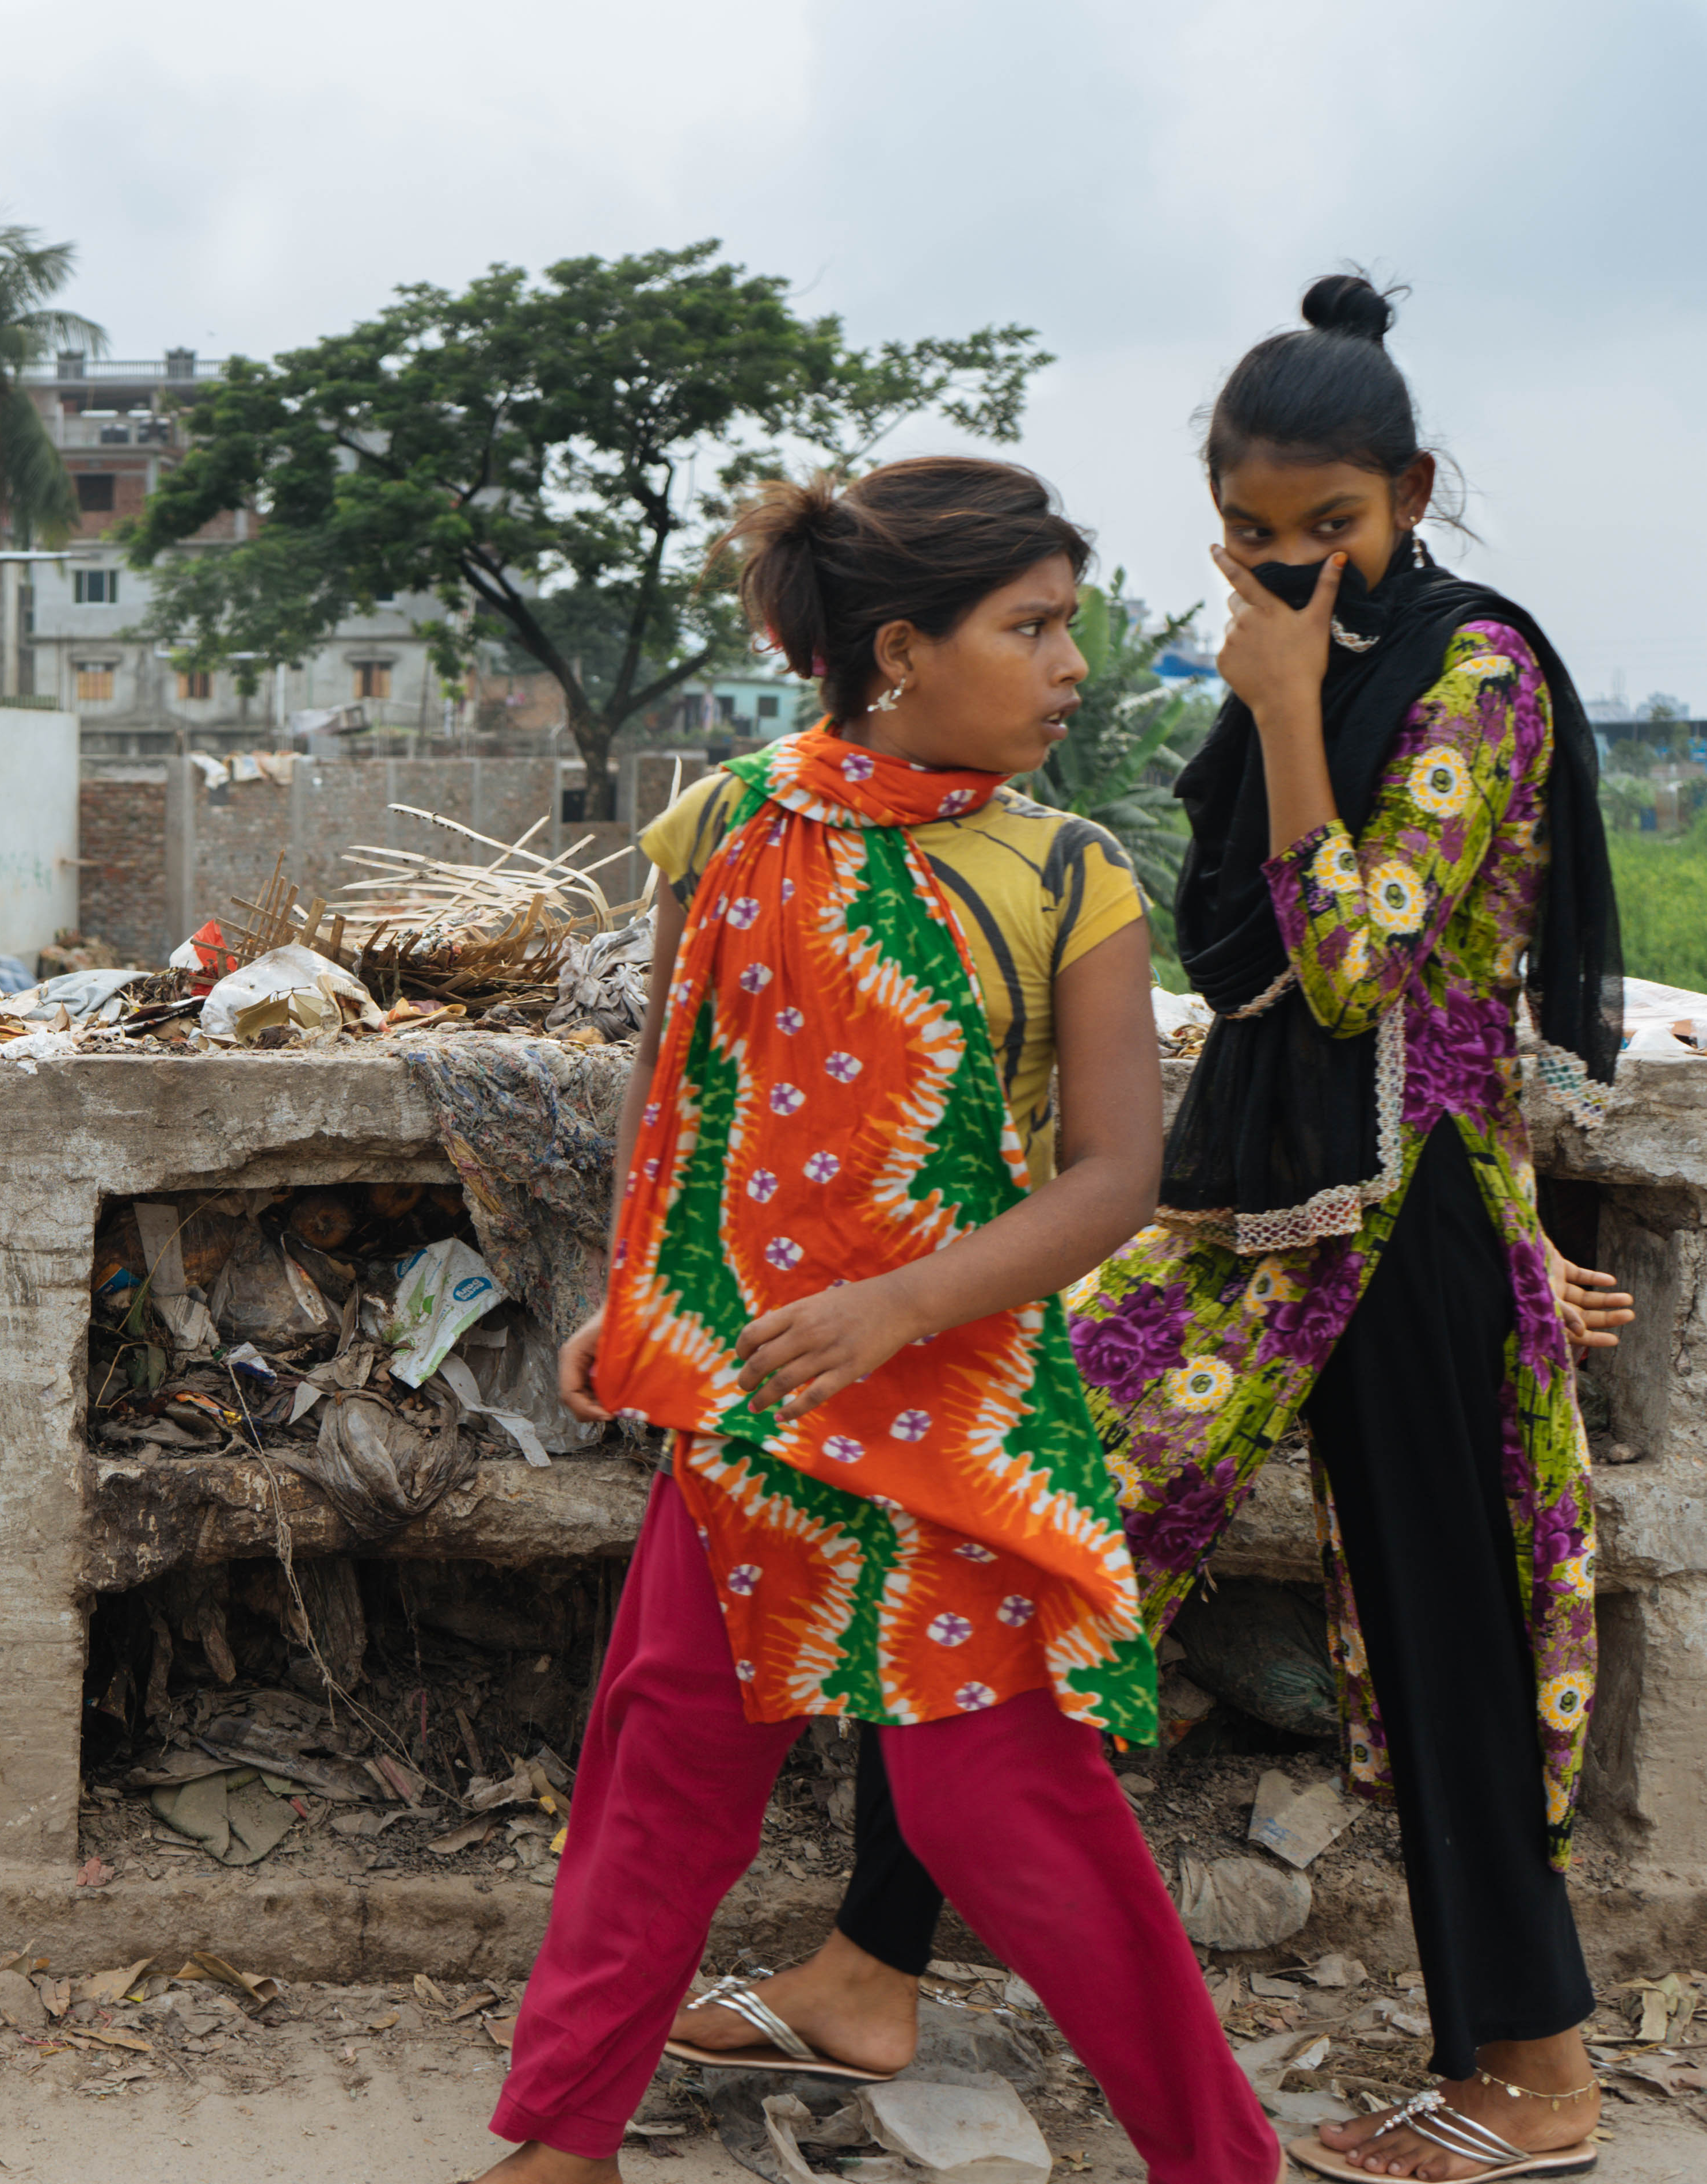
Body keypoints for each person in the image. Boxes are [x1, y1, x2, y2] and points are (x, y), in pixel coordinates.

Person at [665, 276, 1627, 2184]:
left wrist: (1278, 709)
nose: (1292, 568)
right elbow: (1228, 951)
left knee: (1448, 1619)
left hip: (1408, 1206)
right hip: (1255, 1204)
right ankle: (872, 1962)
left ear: (1408, 490)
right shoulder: (1316, 653)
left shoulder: (1471, 673)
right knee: (1008, 1534)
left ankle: (1532, 2071)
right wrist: (1276, 696)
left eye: (1329, 531)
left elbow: (1353, 964)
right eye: (1256, 536)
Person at [474, 455, 1279, 2184]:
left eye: (1069, 626)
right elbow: (675, 1077)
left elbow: (1114, 1175)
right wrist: (631, 1288)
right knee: (660, 1764)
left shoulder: (1069, 876)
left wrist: (890, 1307)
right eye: (1034, 627)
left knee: (1010, 1813)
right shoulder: (728, 822)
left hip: (949, 1412)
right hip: (744, 1399)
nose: (1073, 665)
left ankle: (1219, 2161)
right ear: (899, 650)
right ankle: (561, 2144)